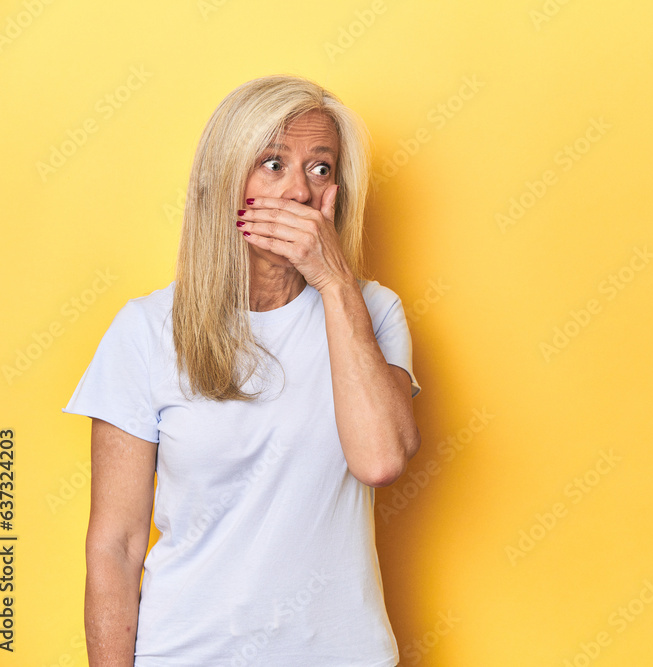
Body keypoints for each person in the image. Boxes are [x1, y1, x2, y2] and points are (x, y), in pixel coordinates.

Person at [63, 75, 421, 666]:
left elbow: (380, 459)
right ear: (225, 181)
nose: (300, 193)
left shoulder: (372, 311)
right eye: (273, 163)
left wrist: (333, 282)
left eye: (320, 168)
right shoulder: (147, 329)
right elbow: (116, 546)